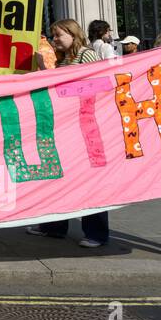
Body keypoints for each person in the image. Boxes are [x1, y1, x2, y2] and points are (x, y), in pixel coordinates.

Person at [28, 19, 109, 247]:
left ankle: (96, 233)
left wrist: (59, 84)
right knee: (59, 178)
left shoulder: (87, 55)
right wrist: (45, 70)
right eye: (53, 36)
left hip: (86, 129)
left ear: (73, 34)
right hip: (66, 129)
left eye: (58, 35)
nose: (55, 40)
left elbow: (97, 87)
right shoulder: (64, 59)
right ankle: (53, 226)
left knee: (90, 182)